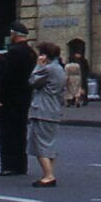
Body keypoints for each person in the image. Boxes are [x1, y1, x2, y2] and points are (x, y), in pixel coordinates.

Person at [0, 23, 36, 177]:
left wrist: (0, 97)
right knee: (20, 132)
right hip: (24, 97)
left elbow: (7, 77)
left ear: (14, 34)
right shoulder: (31, 52)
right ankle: (20, 165)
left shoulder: (14, 52)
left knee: (7, 132)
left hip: (10, 99)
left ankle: (9, 165)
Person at [28, 42, 66, 187]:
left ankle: (48, 175)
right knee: (49, 144)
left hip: (43, 110)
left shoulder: (48, 69)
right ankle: (49, 172)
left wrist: (38, 66)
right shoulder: (59, 68)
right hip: (54, 109)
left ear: (45, 55)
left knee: (41, 145)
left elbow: (32, 81)